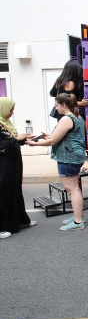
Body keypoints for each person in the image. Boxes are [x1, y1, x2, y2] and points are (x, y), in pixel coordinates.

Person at [28, 94, 87, 231]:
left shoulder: (66, 119)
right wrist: (49, 136)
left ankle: (78, 222)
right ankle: (79, 216)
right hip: (75, 156)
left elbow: (53, 141)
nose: (56, 108)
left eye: (57, 105)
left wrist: (34, 144)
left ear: (64, 105)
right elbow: (63, 136)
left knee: (72, 189)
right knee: (75, 188)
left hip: (68, 157)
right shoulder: (77, 117)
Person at [0, 98, 36, 239]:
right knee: (3, 193)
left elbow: (11, 142)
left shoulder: (5, 123)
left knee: (15, 190)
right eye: (10, 109)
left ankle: (21, 220)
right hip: (4, 164)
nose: (12, 113)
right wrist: (16, 139)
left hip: (13, 162)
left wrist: (22, 140)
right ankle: (2, 227)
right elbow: (2, 146)